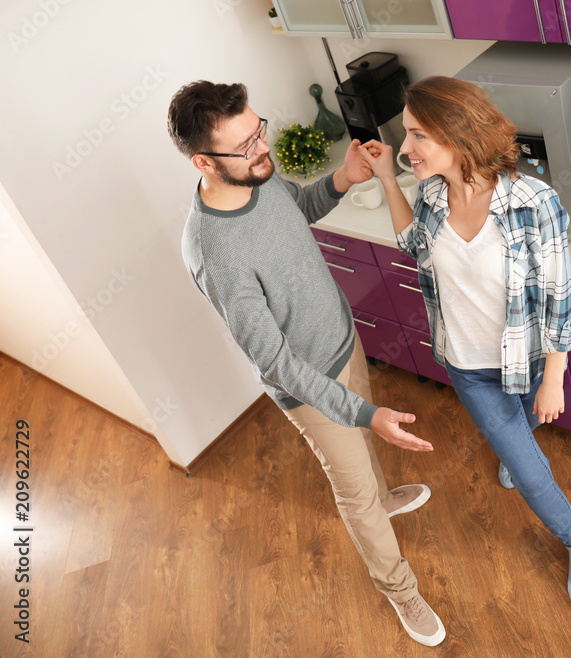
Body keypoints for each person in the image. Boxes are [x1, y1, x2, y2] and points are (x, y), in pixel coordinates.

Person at [167, 81, 446, 646]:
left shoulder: (260, 178)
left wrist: (342, 178)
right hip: (305, 383)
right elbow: (273, 362)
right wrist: (365, 413)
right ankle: (401, 591)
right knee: (354, 493)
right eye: (245, 145)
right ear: (203, 161)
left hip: (344, 339)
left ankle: (387, 497)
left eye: (258, 131)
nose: (262, 148)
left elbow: (296, 210)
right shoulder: (213, 252)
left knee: (368, 464)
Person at [360, 76, 571, 614]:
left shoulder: (535, 202)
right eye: (406, 136)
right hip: (467, 365)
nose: (405, 149)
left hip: (529, 356)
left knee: (525, 425)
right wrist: (386, 179)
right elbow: (413, 246)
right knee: (526, 463)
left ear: (458, 134)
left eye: (418, 136)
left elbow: (559, 298)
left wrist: (556, 377)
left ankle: (570, 534)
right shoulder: (430, 195)